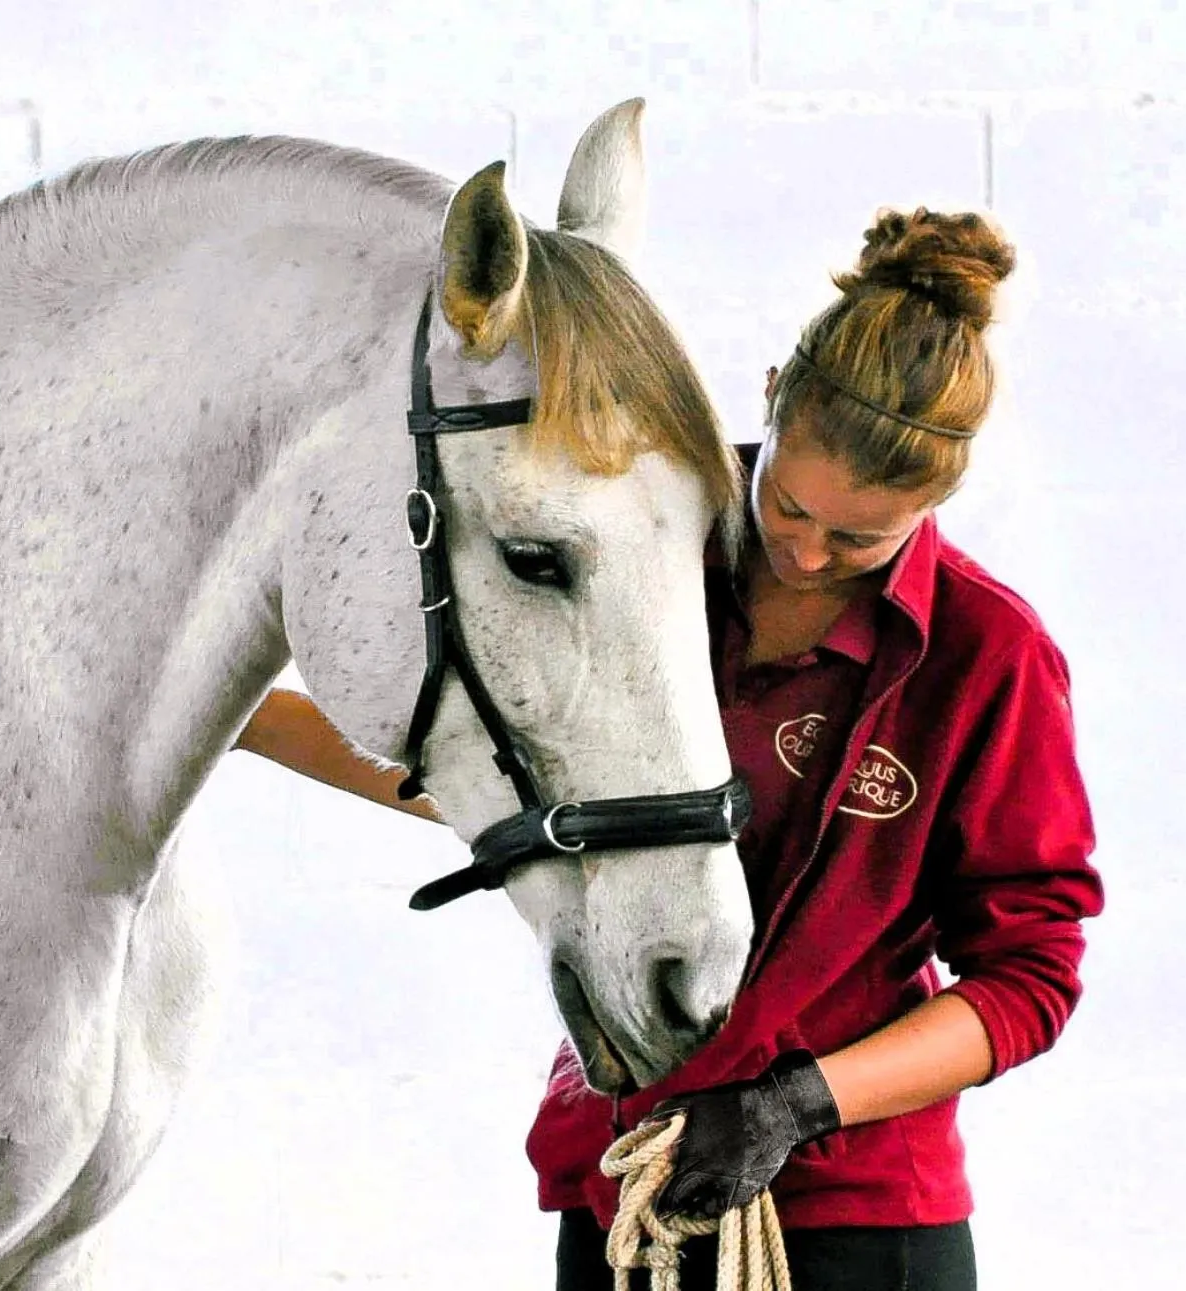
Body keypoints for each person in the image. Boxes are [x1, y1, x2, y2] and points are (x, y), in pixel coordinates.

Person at [232, 208, 1103, 1291]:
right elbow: (512, 786)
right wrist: (240, 715)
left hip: (860, 1221)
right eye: (787, 502)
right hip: (622, 1188)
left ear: (940, 497)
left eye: (856, 538)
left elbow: (1028, 977)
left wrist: (796, 1104)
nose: (800, 549)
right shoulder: (641, 548)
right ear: (775, 391)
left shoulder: (989, 656)